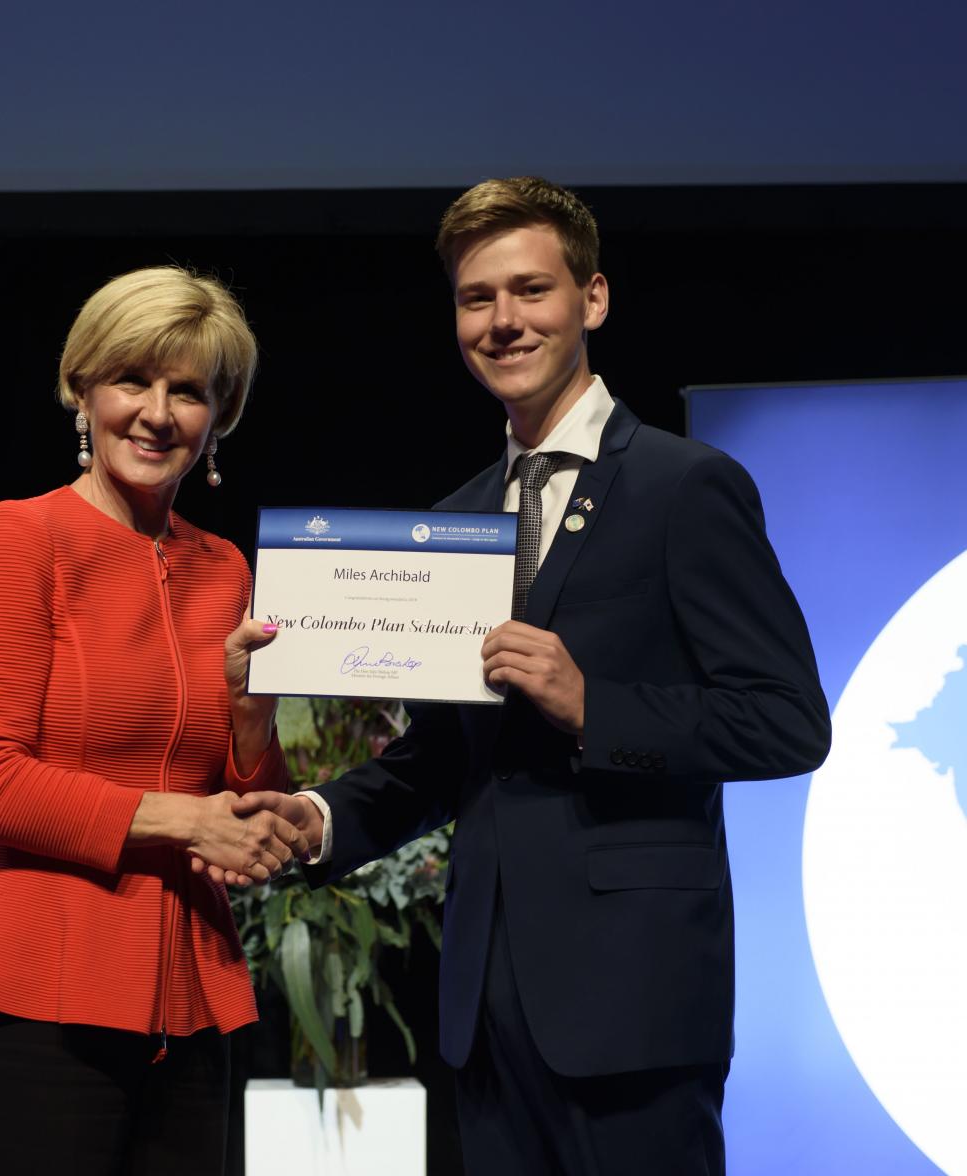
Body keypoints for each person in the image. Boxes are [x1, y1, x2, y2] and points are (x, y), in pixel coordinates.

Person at [230, 178, 832, 1174]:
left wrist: (595, 707)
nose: (503, 321)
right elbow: (440, 762)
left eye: (530, 290)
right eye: (477, 299)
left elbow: (787, 723)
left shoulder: (686, 487)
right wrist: (321, 820)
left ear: (591, 299)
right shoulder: (455, 521)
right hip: (485, 1008)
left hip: (634, 1003)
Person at [0, 265, 306, 1176]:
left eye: (189, 392)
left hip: (191, 998)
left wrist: (254, 730)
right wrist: (182, 818)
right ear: (81, 390)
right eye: (133, 379)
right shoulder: (23, 536)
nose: (157, 412)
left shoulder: (227, 571)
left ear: (221, 417)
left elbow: (250, 809)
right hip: (40, 1000)